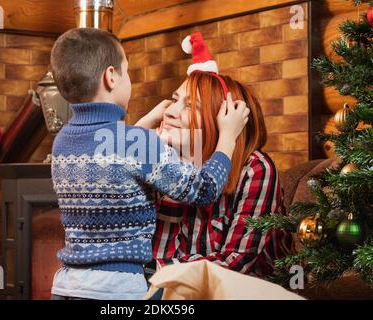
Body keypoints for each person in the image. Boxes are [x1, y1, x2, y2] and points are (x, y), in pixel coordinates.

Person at [49, 28, 249, 300]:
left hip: (67, 284)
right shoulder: (136, 142)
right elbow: (203, 189)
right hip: (116, 289)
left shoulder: (63, 141)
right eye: (127, 71)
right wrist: (227, 136)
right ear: (111, 77)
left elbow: (112, 159)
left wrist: (142, 126)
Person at [149, 32, 293, 278]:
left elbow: (235, 262)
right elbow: (155, 253)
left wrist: (160, 271)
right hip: (181, 290)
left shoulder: (256, 170)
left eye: (191, 106)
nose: (170, 111)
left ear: (223, 121)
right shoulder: (168, 163)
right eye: (173, 100)